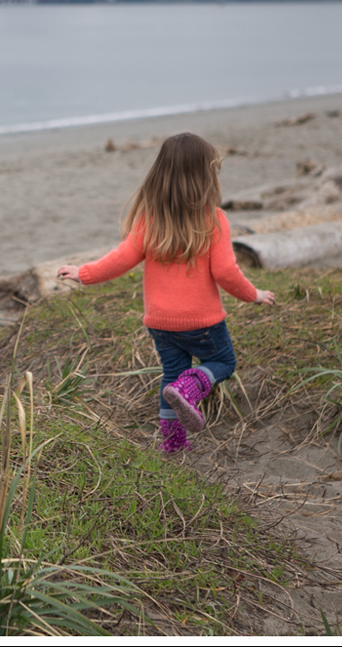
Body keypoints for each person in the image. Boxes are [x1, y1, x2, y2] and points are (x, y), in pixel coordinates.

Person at [57, 132, 275, 454]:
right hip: (201, 321)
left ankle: (173, 444)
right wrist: (253, 294)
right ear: (205, 176)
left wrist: (83, 273)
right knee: (222, 362)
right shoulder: (213, 219)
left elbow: (122, 258)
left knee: (170, 374)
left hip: (160, 322)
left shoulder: (149, 219)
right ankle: (188, 389)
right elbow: (226, 272)